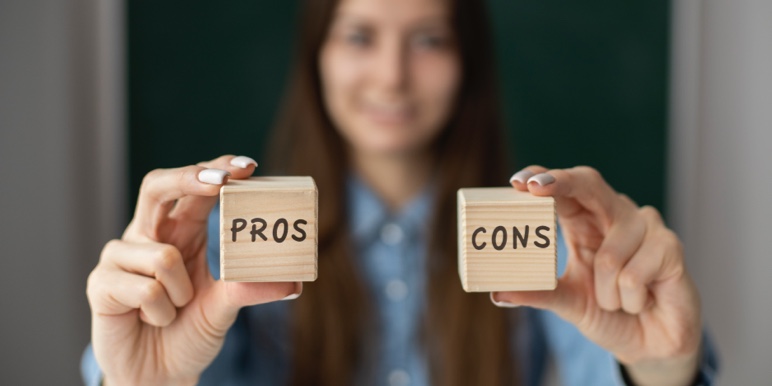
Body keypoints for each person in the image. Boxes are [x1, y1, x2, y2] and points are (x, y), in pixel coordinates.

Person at [82, 0, 718, 385]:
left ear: (468, 61)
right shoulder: (216, 247)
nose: (391, 76)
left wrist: (661, 372)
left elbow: (613, 364)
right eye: (359, 35)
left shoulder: (554, 238)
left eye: (429, 39)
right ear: (317, 57)